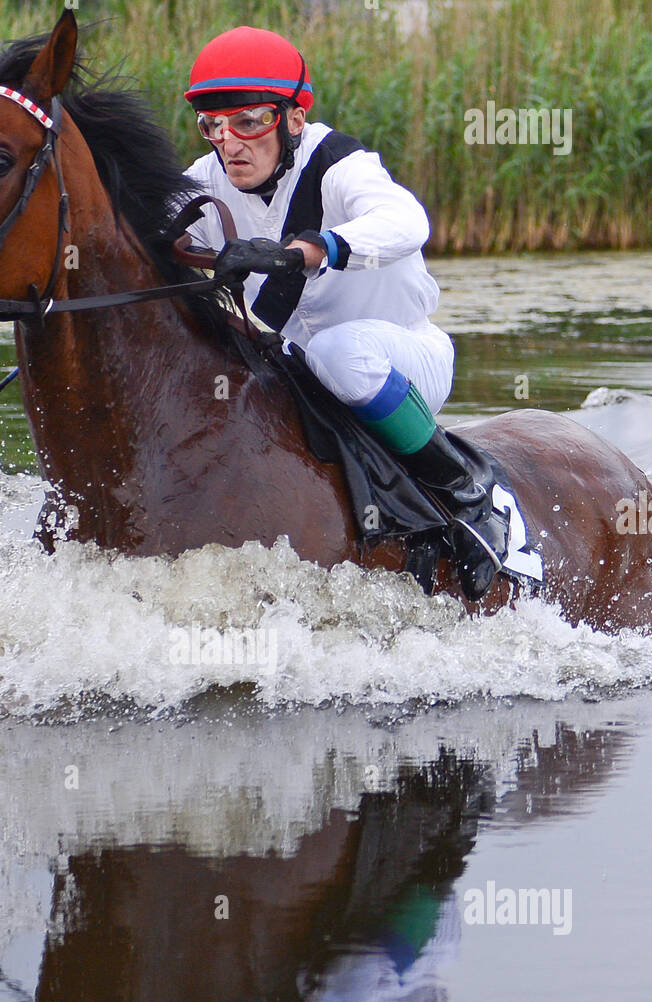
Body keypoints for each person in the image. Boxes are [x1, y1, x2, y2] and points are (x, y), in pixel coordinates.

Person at [182, 26, 508, 600]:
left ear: (293, 119)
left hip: (400, 361)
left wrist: (309, 249)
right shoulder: (204, 182)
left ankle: (465, 494)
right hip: (292, 377)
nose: (229, 142)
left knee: (338, 352)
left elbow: (408, 223)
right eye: (213, 124)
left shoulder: (342, 165)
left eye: (250, 121)